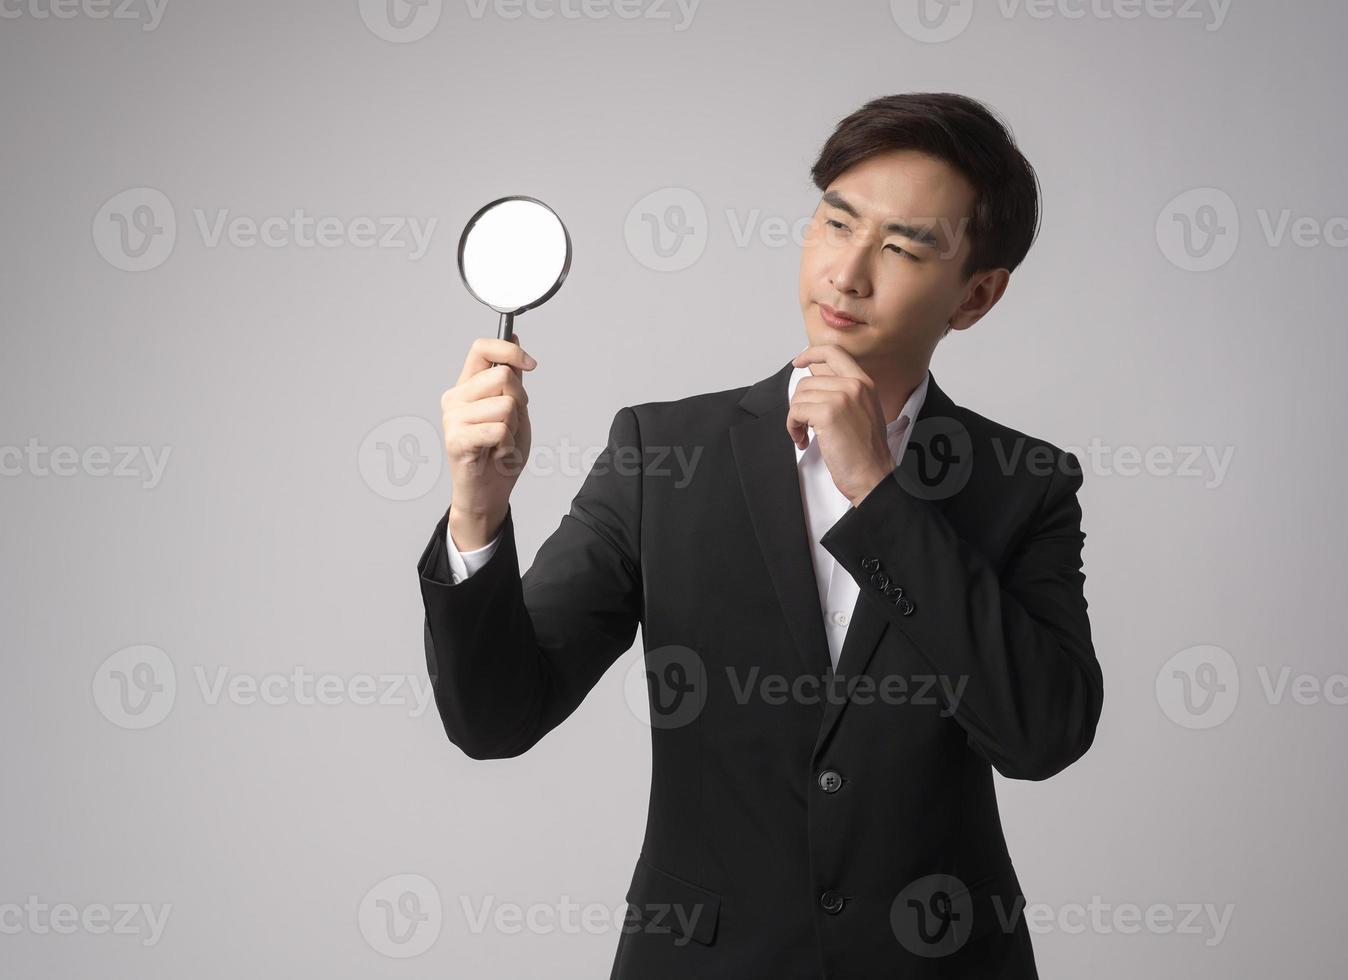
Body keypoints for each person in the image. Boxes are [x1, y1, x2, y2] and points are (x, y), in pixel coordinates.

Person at [416, 91, 1103, 979]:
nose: (846, 274)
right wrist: (478, 510)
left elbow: (1042, 736)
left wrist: (877, 495)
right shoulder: (660, 454)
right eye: (835, 223)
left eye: (899, 247)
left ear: (976, 295)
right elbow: (497, 718)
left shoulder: (1024, 485)